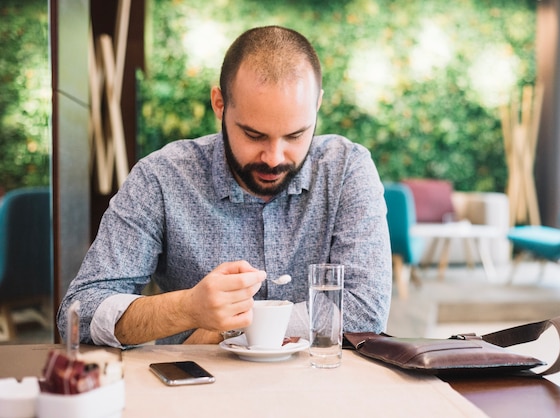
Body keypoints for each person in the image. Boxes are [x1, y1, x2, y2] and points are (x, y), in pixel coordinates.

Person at [57, 25, 392, 347]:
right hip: (195, 395)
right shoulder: (160, 178)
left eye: (295, 135)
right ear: (219, 103)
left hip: (323, 395)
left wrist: (222, 332)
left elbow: (365, 312)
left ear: (317, 104)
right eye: (254, 134)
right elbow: (80, 311)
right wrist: (187, 308)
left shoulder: (348, 168)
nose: (274, 158)